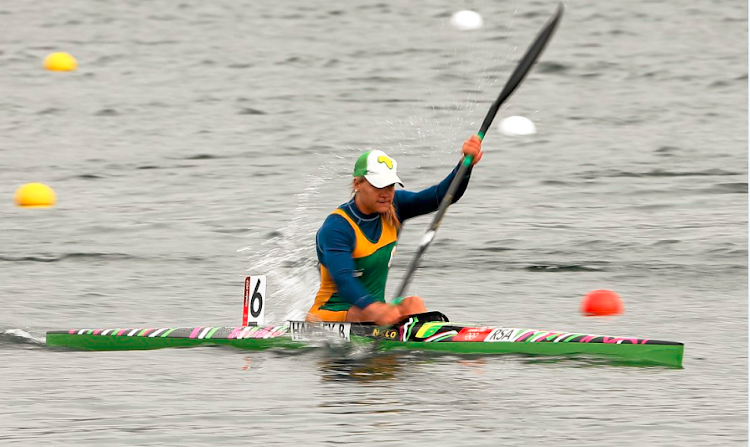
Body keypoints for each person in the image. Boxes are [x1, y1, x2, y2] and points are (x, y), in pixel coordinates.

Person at [306, 135, 483, 326]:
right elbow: (344, 280)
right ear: (358, 184)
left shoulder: (395, 207)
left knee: (414, 304)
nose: (386, 193)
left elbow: (442, 196)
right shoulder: (337, 228)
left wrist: (464, 167)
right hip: (330, 316)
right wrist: (376, 310)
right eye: (378, 185)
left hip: (375, 313)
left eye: (390, 185)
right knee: (368, 313)